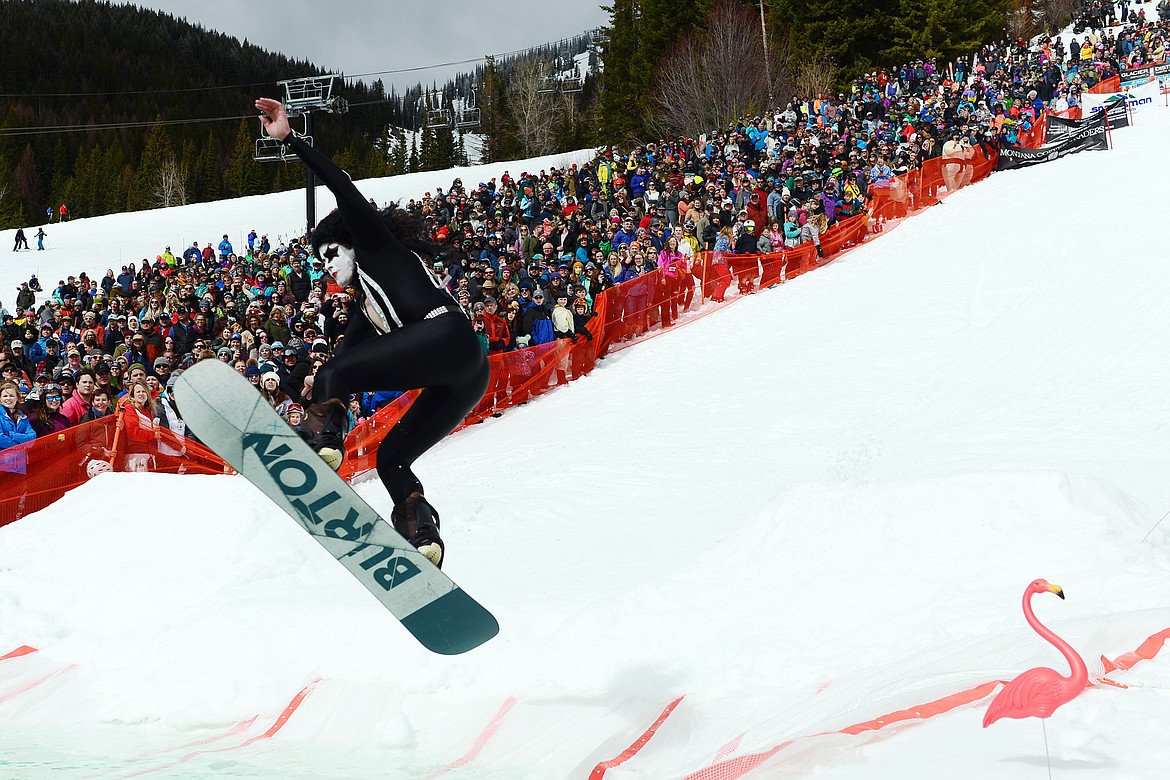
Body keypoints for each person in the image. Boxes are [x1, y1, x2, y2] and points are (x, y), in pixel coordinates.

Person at [256, 96, 490, 568]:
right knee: (391, 459)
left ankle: (322, 445)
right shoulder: (365, 307)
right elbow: (344, 362)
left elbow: (341, 186)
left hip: (448, 336)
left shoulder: (376, 248)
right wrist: (318, 393)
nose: (326, 268)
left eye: (329, 254)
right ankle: (420, 530)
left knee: (334, 376)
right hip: (466, 374)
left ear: (349, 241)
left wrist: (291, 140)